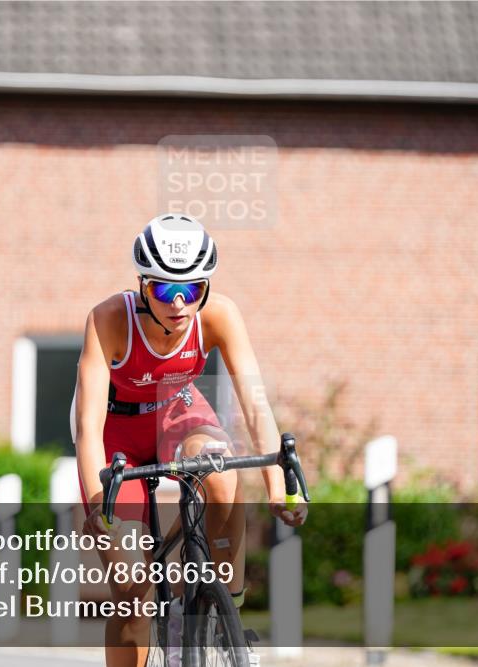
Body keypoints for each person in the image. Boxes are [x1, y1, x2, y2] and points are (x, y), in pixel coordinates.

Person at [71, 213, 308, 667]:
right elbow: (87, 427)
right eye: (164, 289)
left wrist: (279, 486)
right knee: (131, 592)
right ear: (143, 284)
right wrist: (104, 509)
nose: (178, 303)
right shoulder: (107, 319)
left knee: (221, 475)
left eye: (192, 289)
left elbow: (254, 403)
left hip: (177, 408)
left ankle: (225, 616)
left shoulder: (220, 316)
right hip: (113, 430)